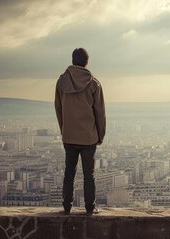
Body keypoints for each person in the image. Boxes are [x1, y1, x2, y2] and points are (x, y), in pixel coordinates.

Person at [55, 48, 106, 215]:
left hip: (69, 135)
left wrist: (64, 129)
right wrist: (100, 135)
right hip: (88, 136)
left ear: (72, 60)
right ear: (86, 62)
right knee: (88, 174)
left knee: (69, 172)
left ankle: (67, 206)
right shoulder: (93, 83)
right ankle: (90, 207)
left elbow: (58, 108)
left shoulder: (62, 82)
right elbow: (99, 112)